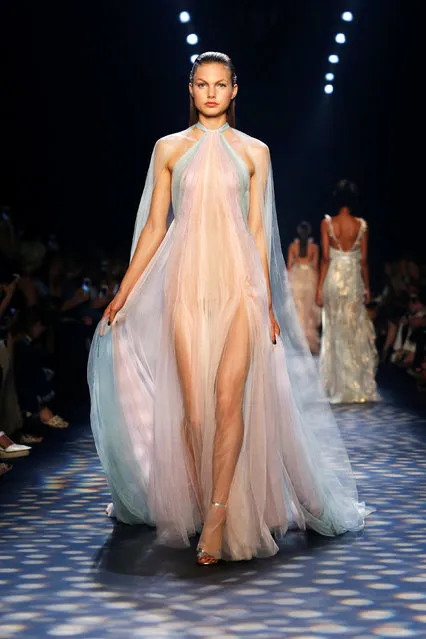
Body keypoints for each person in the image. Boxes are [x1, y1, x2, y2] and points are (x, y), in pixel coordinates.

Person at [88, 52, 371, 565]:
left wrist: (265, 303)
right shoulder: (169, 149)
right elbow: (155, 227)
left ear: (235, 90)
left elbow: (259, 232)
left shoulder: (255, 152)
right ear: (190, 89)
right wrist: (123, 291)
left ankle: (216, 518)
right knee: (195, 412)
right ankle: (202, 501)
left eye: (221, 84)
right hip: (185, 287)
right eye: (203, 84)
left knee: (227, 402)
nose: (212, 92)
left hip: (240, 288)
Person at [316, 179, 379, 404]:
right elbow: (363, 261)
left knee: (334, 330)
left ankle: (338, 385)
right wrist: (368, 287)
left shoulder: (327, 224)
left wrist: (319, 287)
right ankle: (355, 384)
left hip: (334, 278)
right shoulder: (361, 225)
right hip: (353, 280)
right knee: (353, 330)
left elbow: (325, 258)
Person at [287, 221, 320, 353]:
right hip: (310, 278)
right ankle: (308, 343)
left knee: (298, 309)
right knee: (308, 311)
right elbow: (316, 267)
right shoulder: (314, 248)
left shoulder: (293, 246)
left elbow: (289, 266)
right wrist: (318, 287)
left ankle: (298, 342)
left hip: (296, 278)